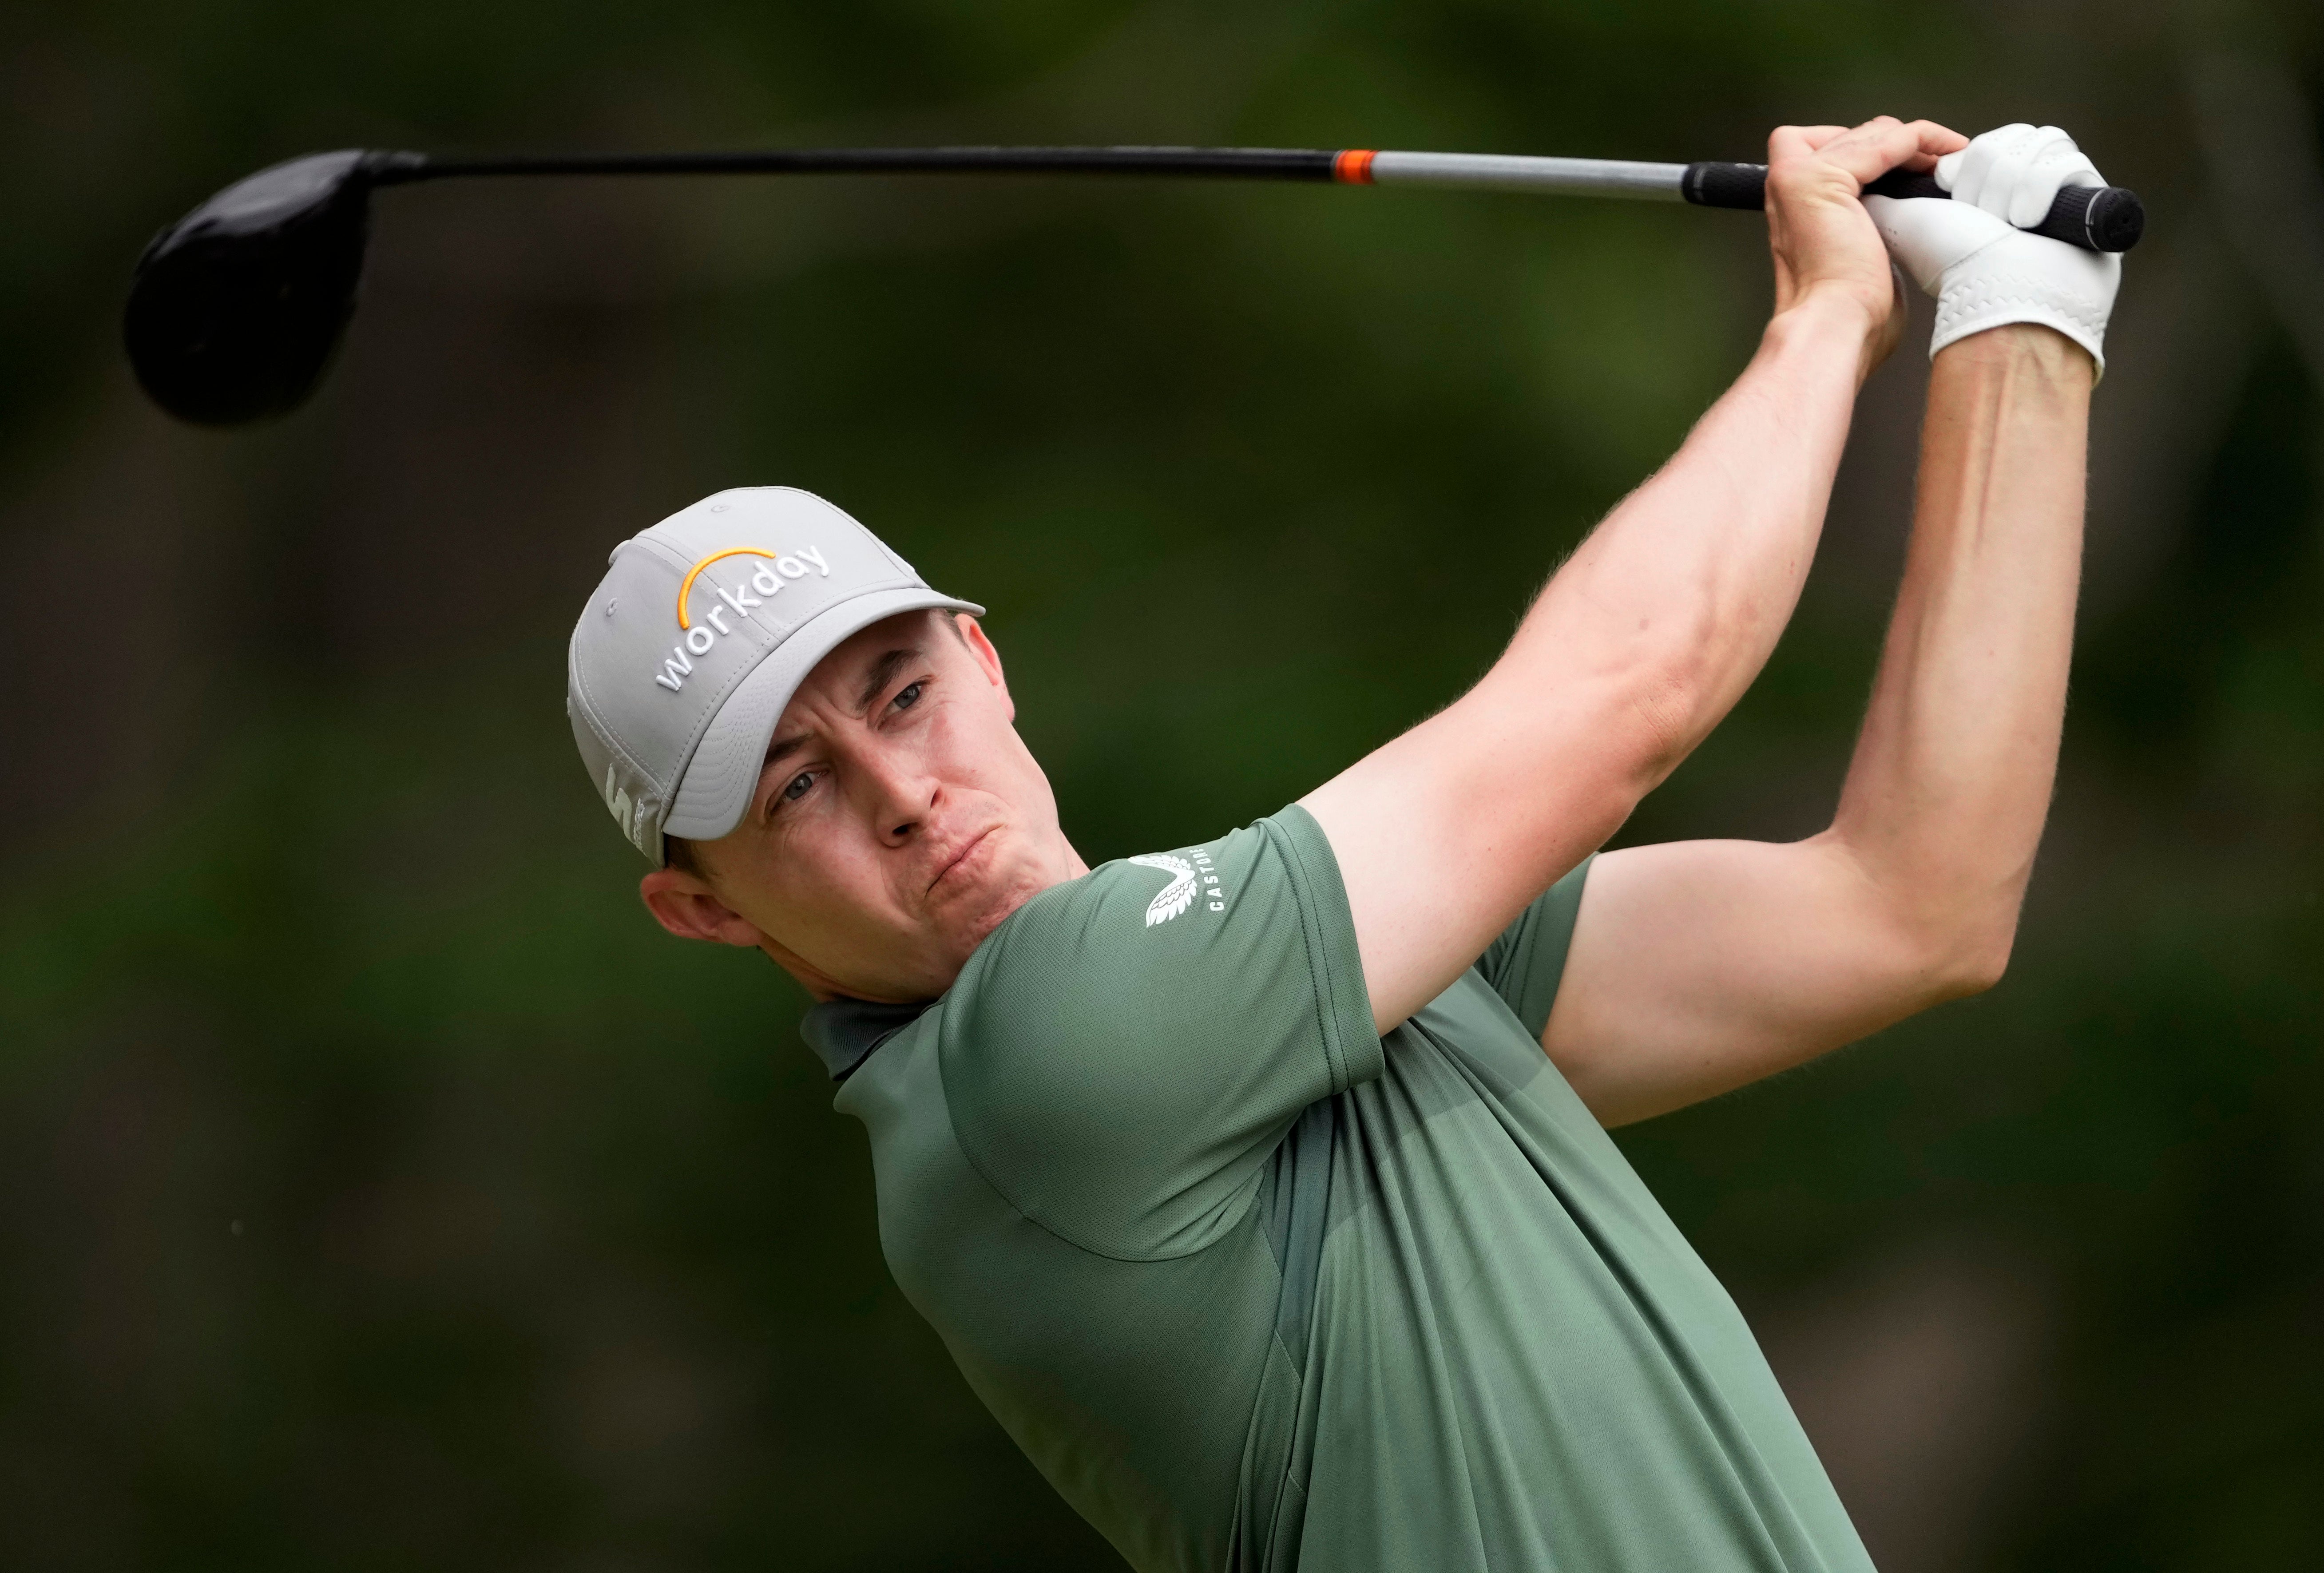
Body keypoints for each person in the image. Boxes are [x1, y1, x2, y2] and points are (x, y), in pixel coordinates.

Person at [562, 118, 2120, 1571]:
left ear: (985, 663)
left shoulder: (1309, 988)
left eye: (902, 695)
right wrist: (1826, 315)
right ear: (699, 913)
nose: (900, 790)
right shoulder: (1035, 1060)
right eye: (795, 792)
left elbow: (1907, 908)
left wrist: (2018, 328)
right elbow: (1620, 699)